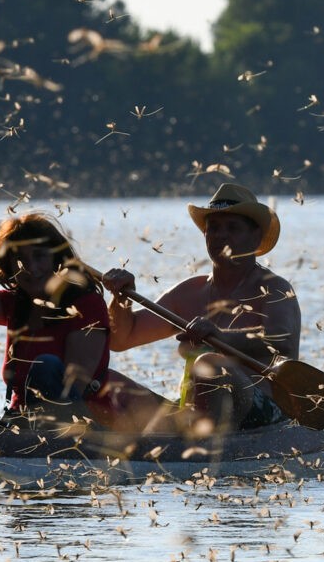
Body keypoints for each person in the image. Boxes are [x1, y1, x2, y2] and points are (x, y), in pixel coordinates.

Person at [0, 213, 164, 432]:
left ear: (56, 260)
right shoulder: (17, 304)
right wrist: (4, 270)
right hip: (15, 430)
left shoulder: (87, 304)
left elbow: (77, 386)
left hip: (82, 430)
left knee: (45, 366)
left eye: (39, 257)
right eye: (21, 259)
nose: (31, 267)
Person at [100, 183, 300, 435]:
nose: (220, 235)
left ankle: (196, 443)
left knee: (211, 365)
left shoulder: (275, 289)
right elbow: (122, 339)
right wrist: (121, 299)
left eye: (233, 228)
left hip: (265, 413)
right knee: (105, 380)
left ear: (256, 237)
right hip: (193, 412)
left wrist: (221, 337)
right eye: (213, 228)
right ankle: (161, 442)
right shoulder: (189, 292)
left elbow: (282, 341)